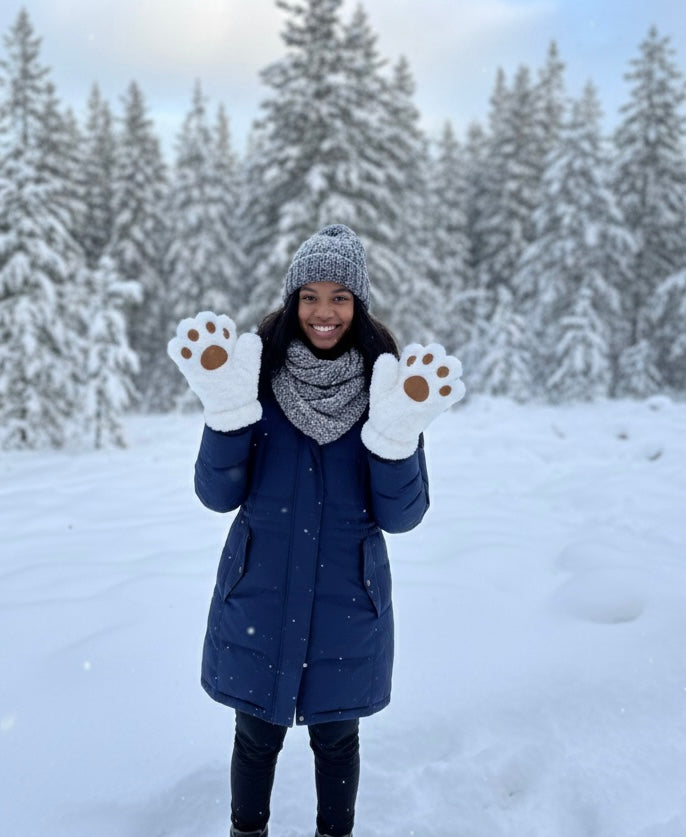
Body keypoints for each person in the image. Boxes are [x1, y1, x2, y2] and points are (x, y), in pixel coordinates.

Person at [168, 224, 465, 837]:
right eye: (310, 296)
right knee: (255, 738)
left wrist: (395, 438)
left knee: (336, 741)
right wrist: (225, 416)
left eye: (339, 297)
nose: (323, 312)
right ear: (291, 299)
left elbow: (403, 516)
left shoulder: (389, 390)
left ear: (358, 305)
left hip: (346, 603)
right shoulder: (252, 377)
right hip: (261, 593)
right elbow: (216, 495)